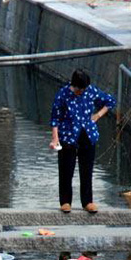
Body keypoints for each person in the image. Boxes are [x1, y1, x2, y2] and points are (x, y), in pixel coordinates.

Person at [49, 68, 116, 214]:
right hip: (68, 135)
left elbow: (110, 101)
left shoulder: (90, 91)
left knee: (87, 169)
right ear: (74, 86)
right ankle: (66, 201)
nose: (81, 92)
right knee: (66, 169)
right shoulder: (63, 94)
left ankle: (87, 201)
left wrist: (97, 115)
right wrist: (55, 138)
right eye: (79, 89)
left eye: (84, 89)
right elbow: (55, 118)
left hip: (87, 134)